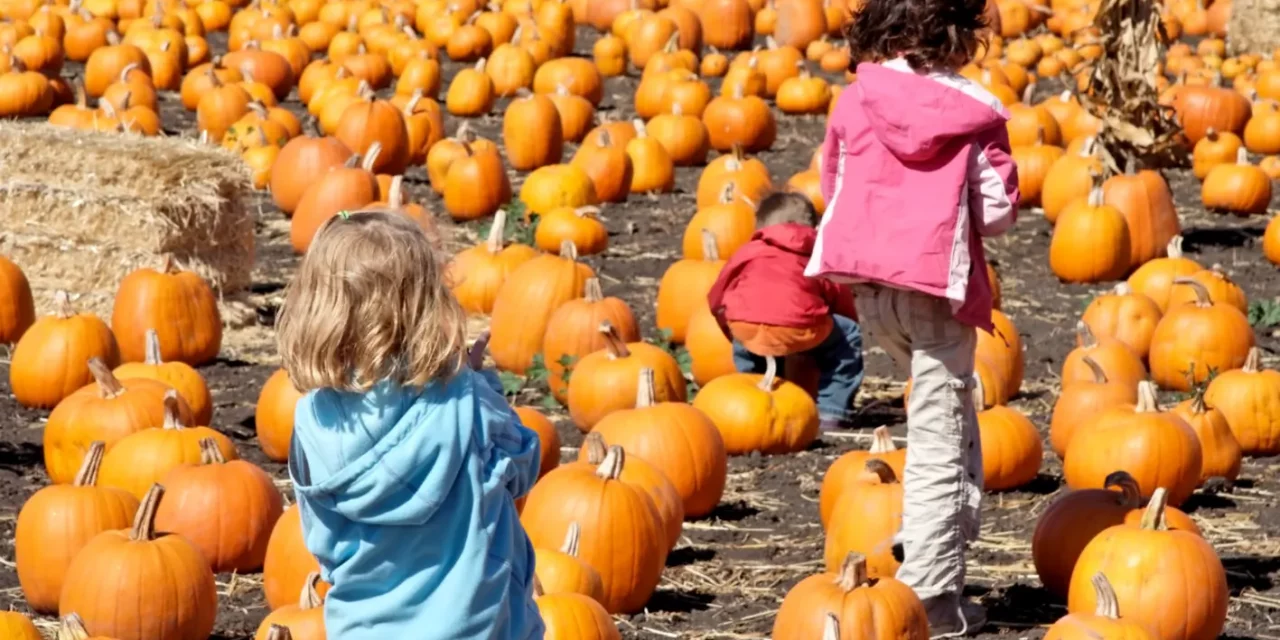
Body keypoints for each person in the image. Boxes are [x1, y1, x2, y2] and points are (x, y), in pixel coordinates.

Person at [807, 0, 1019, 636]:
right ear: (960, 32)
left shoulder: (855, 97)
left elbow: (833, 185)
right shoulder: (974, 110)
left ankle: (934, 548)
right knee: (939, 448)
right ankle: (931, 601)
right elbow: (998, 210)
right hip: (934, 288)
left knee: (946, 423)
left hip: (870, 290)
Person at [276, 210, 544, 640]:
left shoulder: (311, 420)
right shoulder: (466, 403)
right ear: (428, 306)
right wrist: (482, 385)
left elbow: (323, 546)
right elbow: (522, 467)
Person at [706, 192, 864, 431]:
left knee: (751, 361)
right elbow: (838, 293)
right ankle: (832, 411)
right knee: (848, 334)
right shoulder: (815, 253)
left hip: (744, 323)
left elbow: (717, 294)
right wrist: (839, 322)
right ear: (813, 226)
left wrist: (731, 330)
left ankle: (751, 402)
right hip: (796, 324)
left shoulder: (747, 252)